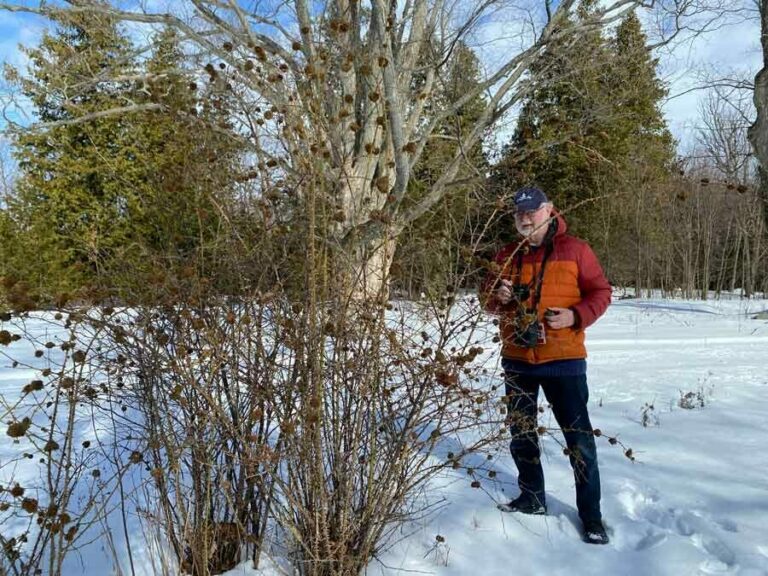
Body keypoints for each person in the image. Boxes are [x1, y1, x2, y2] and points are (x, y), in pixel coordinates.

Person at [480, 186, 612, 545]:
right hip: (518, 359)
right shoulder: (506, 254)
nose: (525, 218)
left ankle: (591, 516)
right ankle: (532, 497)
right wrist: (498, 296)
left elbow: (601, 293)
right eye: (519, 212)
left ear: (549, 211)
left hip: (564, 360)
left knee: (579, 441)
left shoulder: (576, 250)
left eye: (532, 211)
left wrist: (575, 315)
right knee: (521, 434)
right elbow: (487, 302)